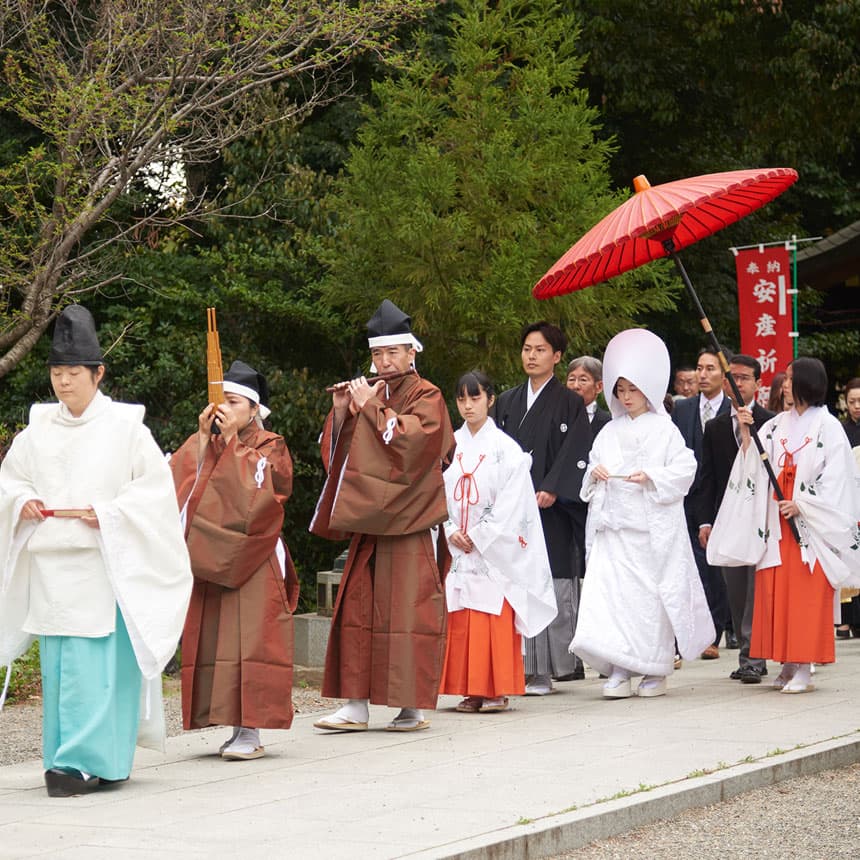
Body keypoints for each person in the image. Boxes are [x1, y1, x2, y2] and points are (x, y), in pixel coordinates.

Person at [0, 305, 192, 797]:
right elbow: (11, 480)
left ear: (98, 373)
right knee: (61, 667)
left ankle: (93, 761)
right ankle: (65, 758)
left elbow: (154, 492)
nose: (63, 383)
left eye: (72, 374)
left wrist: (107, 512)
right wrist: (23, 501)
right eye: (56, 373)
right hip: (51, 563)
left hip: (103, 563)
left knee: (100, 669)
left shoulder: (127, 428)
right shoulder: (38, 428)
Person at [310, 300, 454, 732]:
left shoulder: (427, 394)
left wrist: (370, 407)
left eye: (393, 353)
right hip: (371, 521)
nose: (384, 362)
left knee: (406, 614)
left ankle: (411, 706)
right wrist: (342, 411)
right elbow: (342, 459)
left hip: (408, 521)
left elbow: (417, 445)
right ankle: (355, 704)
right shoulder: (368, 394)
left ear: (412, 352)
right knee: (357, 611)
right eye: (377, 354)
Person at [570, 328, 714, 699]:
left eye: (632, 389)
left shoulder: (665, 430)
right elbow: (591, 470)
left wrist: (652, 475)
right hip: (614, 531)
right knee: (613, 601)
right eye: (620, 391)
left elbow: (685, 469)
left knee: (650, 602)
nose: (626, 397)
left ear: (647, 389)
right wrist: (595, 472)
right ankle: (618, 669)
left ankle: (654, 669)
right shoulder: (608, 431)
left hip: (649, 533)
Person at [170, 360, 299, 761]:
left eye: (233, 401)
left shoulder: (270, 444)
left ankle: (252, 729)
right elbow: (179, 481)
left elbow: (266, 493)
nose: (224, 408)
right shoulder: (207, 440)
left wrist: (230, 445)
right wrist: (204, 439)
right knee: (218, 636)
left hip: (255, 552)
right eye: (220, 400)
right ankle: (229, 723)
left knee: (252, 638)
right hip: (212, 551)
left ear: (254, 409)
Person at [708, 357, 860, 693]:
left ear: (806, 382)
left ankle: (804, 664)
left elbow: (837, 481)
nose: (786, 383)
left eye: (790, 378)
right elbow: (753, 461)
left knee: (806, 595)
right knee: (776, 593)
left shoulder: (829, 426)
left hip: (809, 526)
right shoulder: (776, 425)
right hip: (777, 520)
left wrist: (803, 504)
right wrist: (747, 432)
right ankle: (788, 662)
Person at [439, 371, 557, 713]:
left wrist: (478, 534)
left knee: (491, 614)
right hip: (459, 544)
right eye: (462, 399)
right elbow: (436, 492)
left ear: (490, 400)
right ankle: (469, 689)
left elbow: (512, 503)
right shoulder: (451, 445)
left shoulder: (507, 449)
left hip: (491, 546)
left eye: (475, 398)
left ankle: (495, 690)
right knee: (463, 615)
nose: (468, 406)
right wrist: (449, 529)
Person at [495, 322, 592, 696]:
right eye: (526, 349)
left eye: (539, 350)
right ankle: (516, 665)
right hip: (514, 505)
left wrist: (553, 486)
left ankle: (548, 669)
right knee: (514, 578)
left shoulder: (570, 402)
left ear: (557, 356)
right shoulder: (507, 400)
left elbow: (576, 450)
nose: (531, 356)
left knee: (550, 580)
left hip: (550, 507)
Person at [693, 355, 774, 684]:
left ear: (758, 383)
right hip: (727, 517)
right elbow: (707, 478)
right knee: (736, 588)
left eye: (744, 378)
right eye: (733, 378)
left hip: (760, 517)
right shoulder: (713, 427)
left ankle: (754, 656)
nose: (738, 383)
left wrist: (749, 430)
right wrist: (705, 522)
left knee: (757, 587)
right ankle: (747, 651)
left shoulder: (770, 422)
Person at [672, 347, 731, 658]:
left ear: (724, 374)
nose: (703, 374)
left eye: (710, 368)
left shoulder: (733, 409)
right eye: (699, 368)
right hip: (686, 498)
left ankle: (715, 631)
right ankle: (691, 633)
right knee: (689, 565)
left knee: (715, 568)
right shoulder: (682, 410)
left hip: (721, 498)